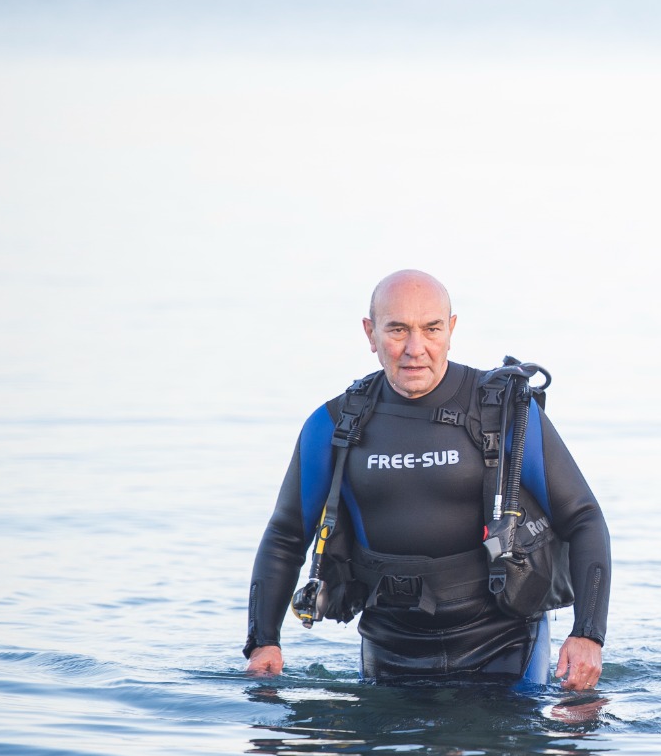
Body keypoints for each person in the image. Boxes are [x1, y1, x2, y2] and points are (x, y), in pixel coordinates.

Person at [243, 270, 610, 690]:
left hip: (505, 639)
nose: (415, 349)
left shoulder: (505, 412)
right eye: (397, 329)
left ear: (451, 329)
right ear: (370, 333)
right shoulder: (334, 425)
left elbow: (583, 517)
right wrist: (263, 642)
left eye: (431, 329)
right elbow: (286, 535)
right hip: (390, 642)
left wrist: (587, 635)